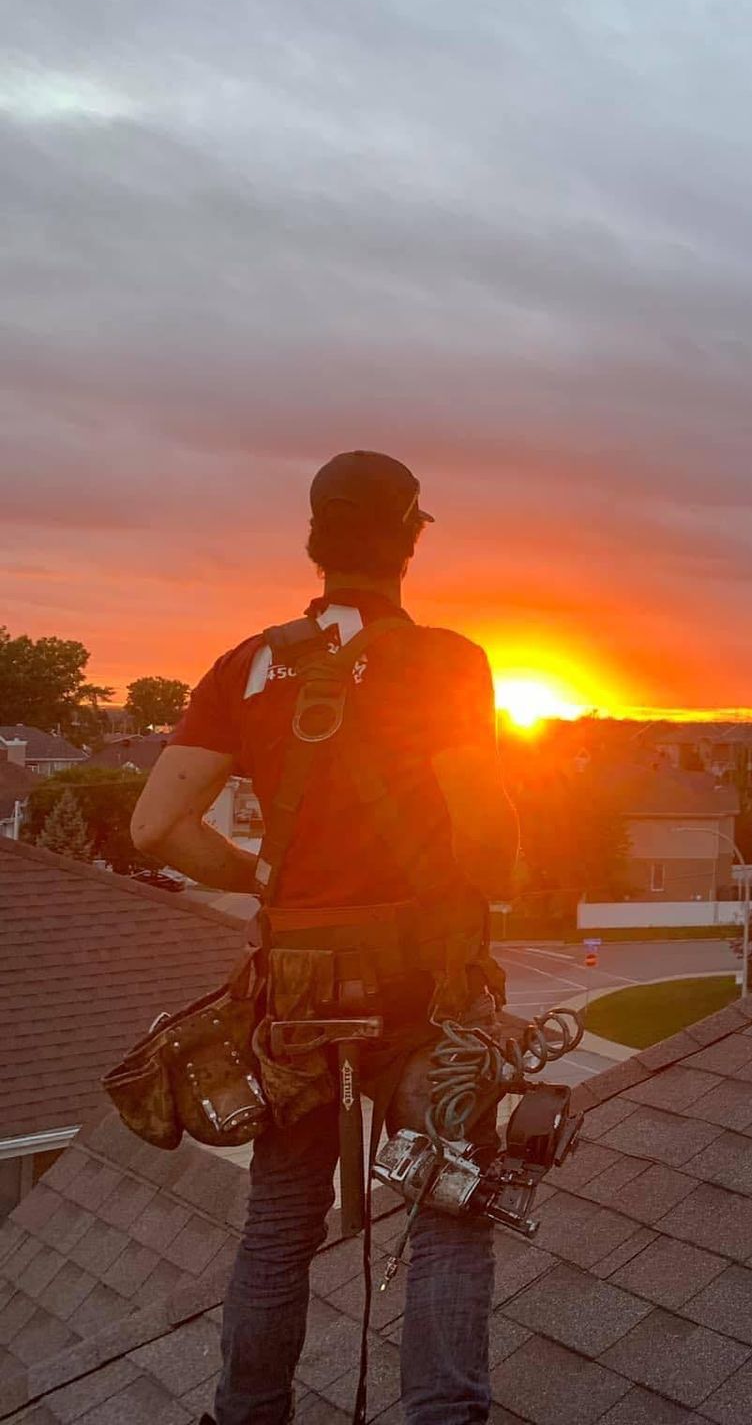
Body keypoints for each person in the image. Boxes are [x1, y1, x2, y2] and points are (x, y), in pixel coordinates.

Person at [132, 451, 518, 1425]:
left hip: (299, 991)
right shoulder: (445, 661)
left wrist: (264, 878)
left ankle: (248, 1411)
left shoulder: (248, 666)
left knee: (279, 1221)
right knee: (446, 1206)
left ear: (316, 542)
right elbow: (483, 833)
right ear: (409, 542)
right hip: (427, 984)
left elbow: (156, 828)